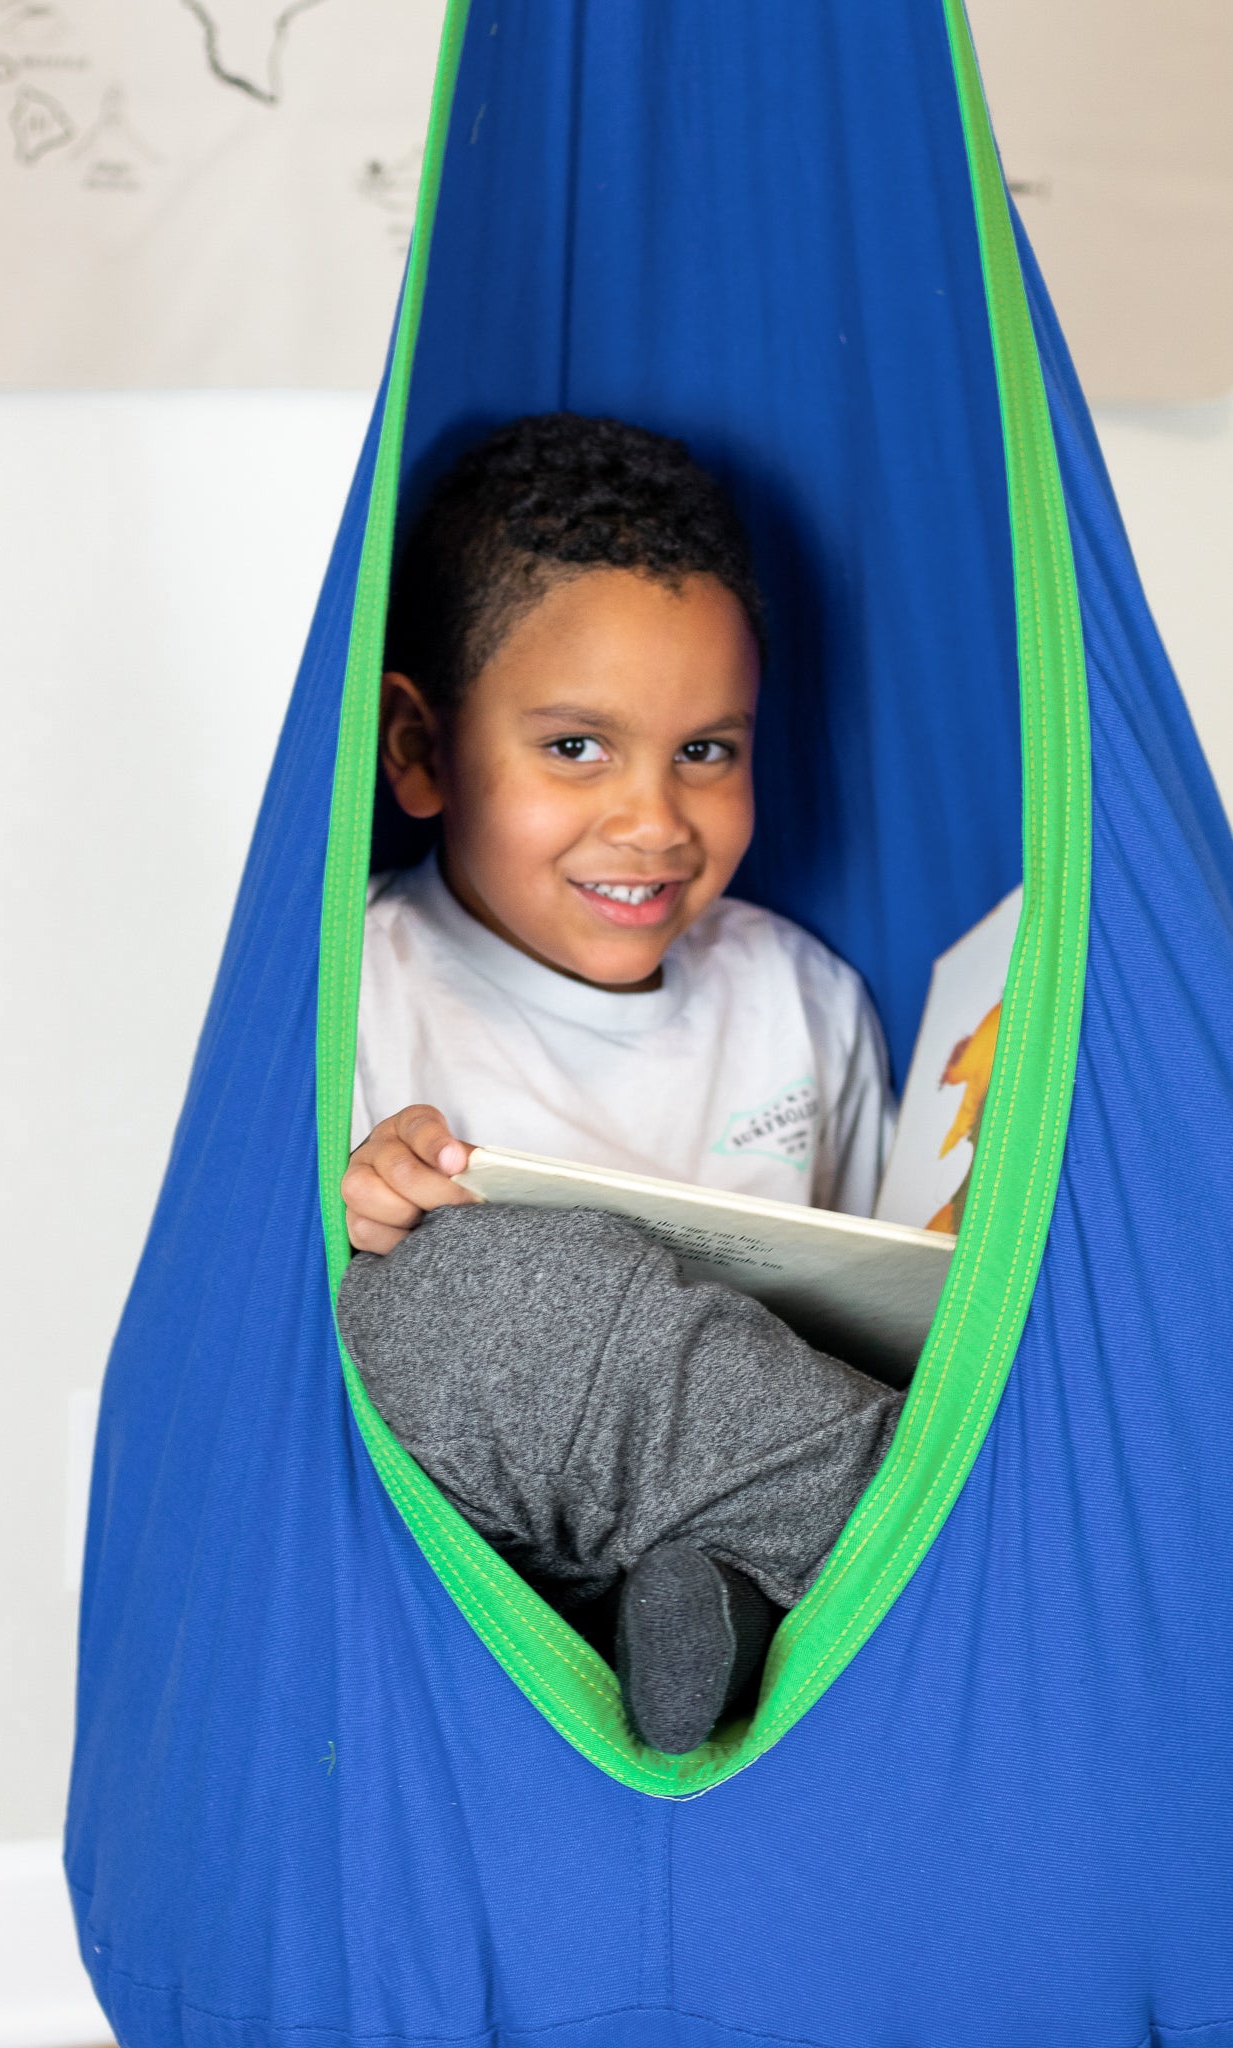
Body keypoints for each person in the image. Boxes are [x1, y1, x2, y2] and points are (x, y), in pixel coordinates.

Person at [337, 413, 903, 1753]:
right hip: (479, 1556)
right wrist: (360, 1204)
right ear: (418, 750)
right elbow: (284, 1338)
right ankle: (941, 1537)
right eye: (575, 749)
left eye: (706, 750)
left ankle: (715, 1608)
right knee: (448, 1303)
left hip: (734, 1504)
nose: (653, 821)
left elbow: (889, 1287)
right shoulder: (358, 985)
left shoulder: (796, 994)